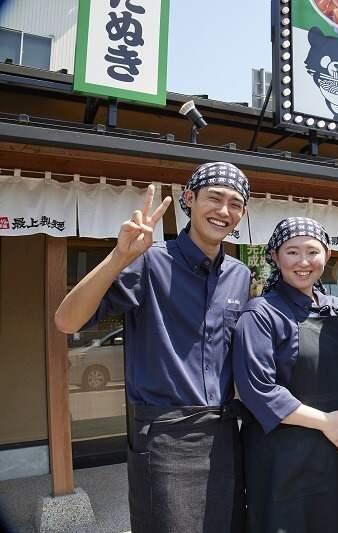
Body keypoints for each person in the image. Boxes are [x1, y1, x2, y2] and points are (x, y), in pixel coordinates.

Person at [54, 162, 252, 533]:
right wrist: (119, 258)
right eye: (214, 198)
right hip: (165, 436)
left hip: (225, 433)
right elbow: (67, 321)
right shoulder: (149, 260)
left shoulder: (239, 275)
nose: (224, 211)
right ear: (188, 200)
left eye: (235, 204)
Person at [233, 217, 338, 533]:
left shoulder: (337, 309)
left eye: (312, 251)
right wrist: (326, 422)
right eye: (292, 252)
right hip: (283, 457)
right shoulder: (260, 313)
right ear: (275, 256)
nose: (303, 262)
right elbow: (259, 391)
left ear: (326, 254)